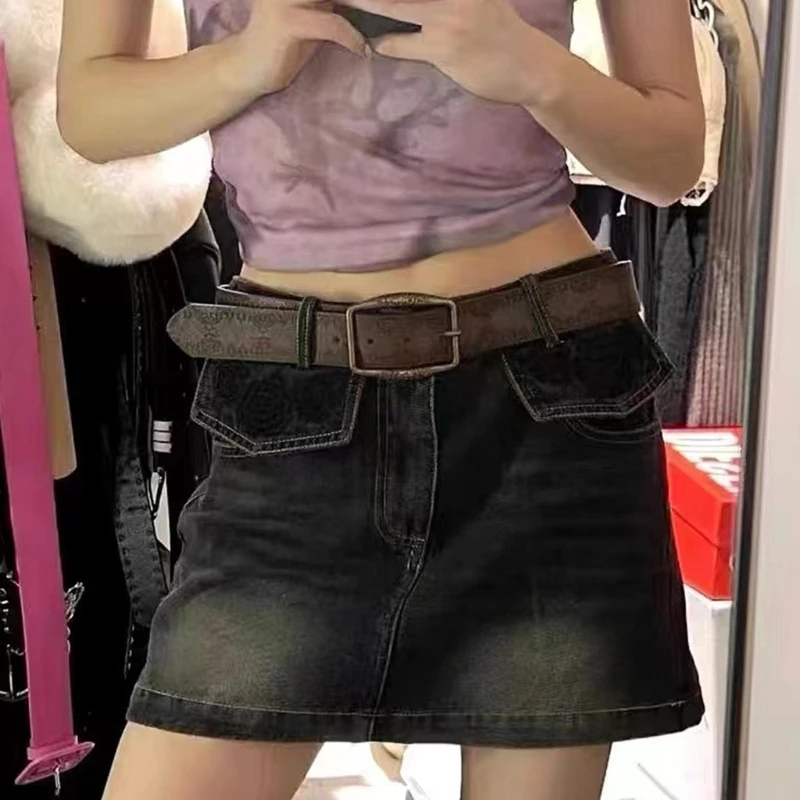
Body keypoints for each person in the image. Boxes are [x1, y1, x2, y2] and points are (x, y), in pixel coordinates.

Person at [57, 0, 706, 798]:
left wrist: (535, 68)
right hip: (295, 408)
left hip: (546, 400)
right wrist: (244, 63)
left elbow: (672, 161)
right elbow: (90, 113)